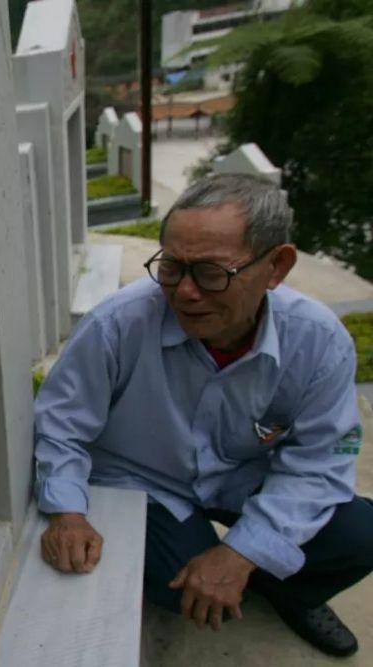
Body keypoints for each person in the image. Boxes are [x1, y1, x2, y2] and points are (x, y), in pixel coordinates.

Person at [33, 173, 372, 658]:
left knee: (360, 535)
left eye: (212, 272)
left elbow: (319, 463)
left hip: (243, 477)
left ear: (276, 266)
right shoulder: (117, 324)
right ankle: (248, 576)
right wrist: (68, 513)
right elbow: (60, 425)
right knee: (180, 586)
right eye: (172, 268)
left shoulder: (318, 342)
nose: (185, 292)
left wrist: (241, 554)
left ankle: (291, 592)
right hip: (147, 480)